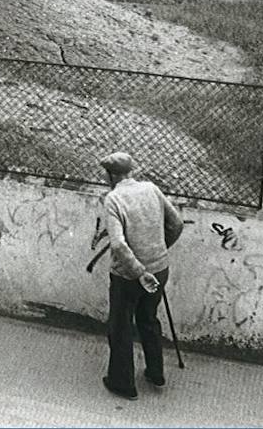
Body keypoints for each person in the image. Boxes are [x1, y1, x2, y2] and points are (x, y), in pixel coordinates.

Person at [99, 151, 184, 400]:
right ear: (130, 171)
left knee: (121, 326)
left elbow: (118, 246)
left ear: (110, 175)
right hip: (160, 269)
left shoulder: (113, 199)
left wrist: (139, 271)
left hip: (127, 277)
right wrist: (158, 252)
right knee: (148, 319)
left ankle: (122, 383)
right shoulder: (151, 188)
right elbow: (177, 224)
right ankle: (156, 374)